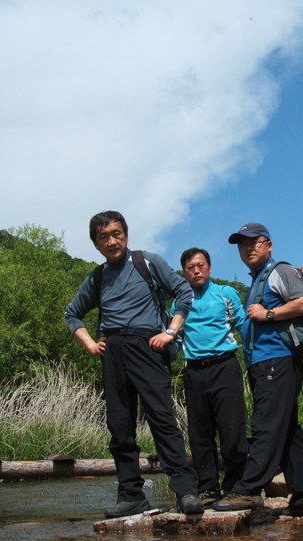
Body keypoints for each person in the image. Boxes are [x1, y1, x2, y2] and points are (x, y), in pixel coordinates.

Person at [64, 210, 203, 518]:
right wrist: (90, 343)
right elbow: (72, 314)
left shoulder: (147, 262)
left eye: (117, 233)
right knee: (120, 425)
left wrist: (170, 332)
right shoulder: (97, 277)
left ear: (126, 234)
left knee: (162, 419)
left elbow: (183, 292)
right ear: (96, 244)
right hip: (112, 351)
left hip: (148, 346)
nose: (112, 241)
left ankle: (185, 491)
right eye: (104, 237)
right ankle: (131, 494)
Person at [211, 223, 303, 517]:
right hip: (265, 364)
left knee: (266, 427)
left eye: (254, 242)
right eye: (242, 245)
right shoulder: (258, 280)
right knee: (288, 432)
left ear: (268, 244)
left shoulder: (279, 271)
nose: (248, 248)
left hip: (277, 361)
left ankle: (247, 490)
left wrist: (269, 313)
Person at [173, 248, 248, 505]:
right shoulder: (180, 301)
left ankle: (236, 486)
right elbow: (174, 338)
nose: (196, 270)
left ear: (210, 267)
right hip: (194, 370)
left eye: (201, 265)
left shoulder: (226, 294)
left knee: (232, 430)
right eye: (191, 267)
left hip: (225, 366)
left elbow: (244, 326)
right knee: (199, 433)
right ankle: (207, 488)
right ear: (184, 272)